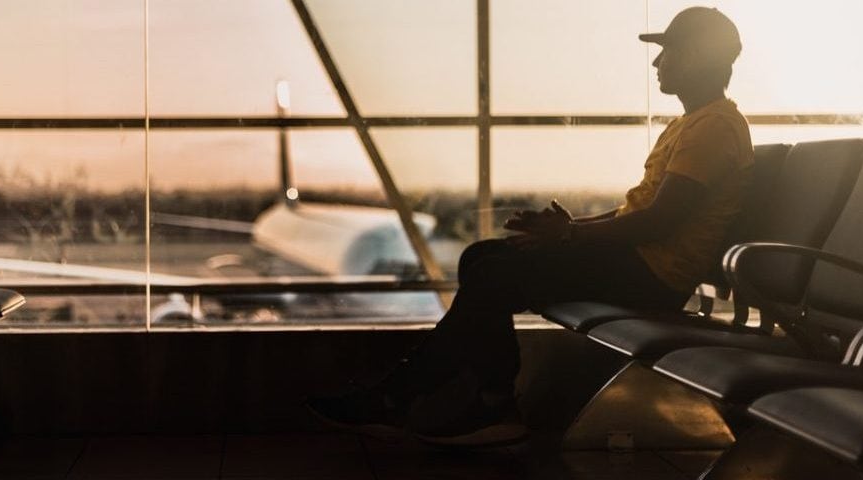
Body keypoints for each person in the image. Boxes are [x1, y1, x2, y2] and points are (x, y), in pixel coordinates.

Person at [307, 6, 753, 446]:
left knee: (492, 271)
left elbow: (659, 222)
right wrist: (568, 228)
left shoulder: (712, 128)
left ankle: (407, 398)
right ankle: (488, 399)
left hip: (653, 277)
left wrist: (572, 236)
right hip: (639, 263)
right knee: (482, 256)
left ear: (696, 55)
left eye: (668, 50)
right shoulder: (693, 124)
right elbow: (638, 214)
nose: (658, 62)